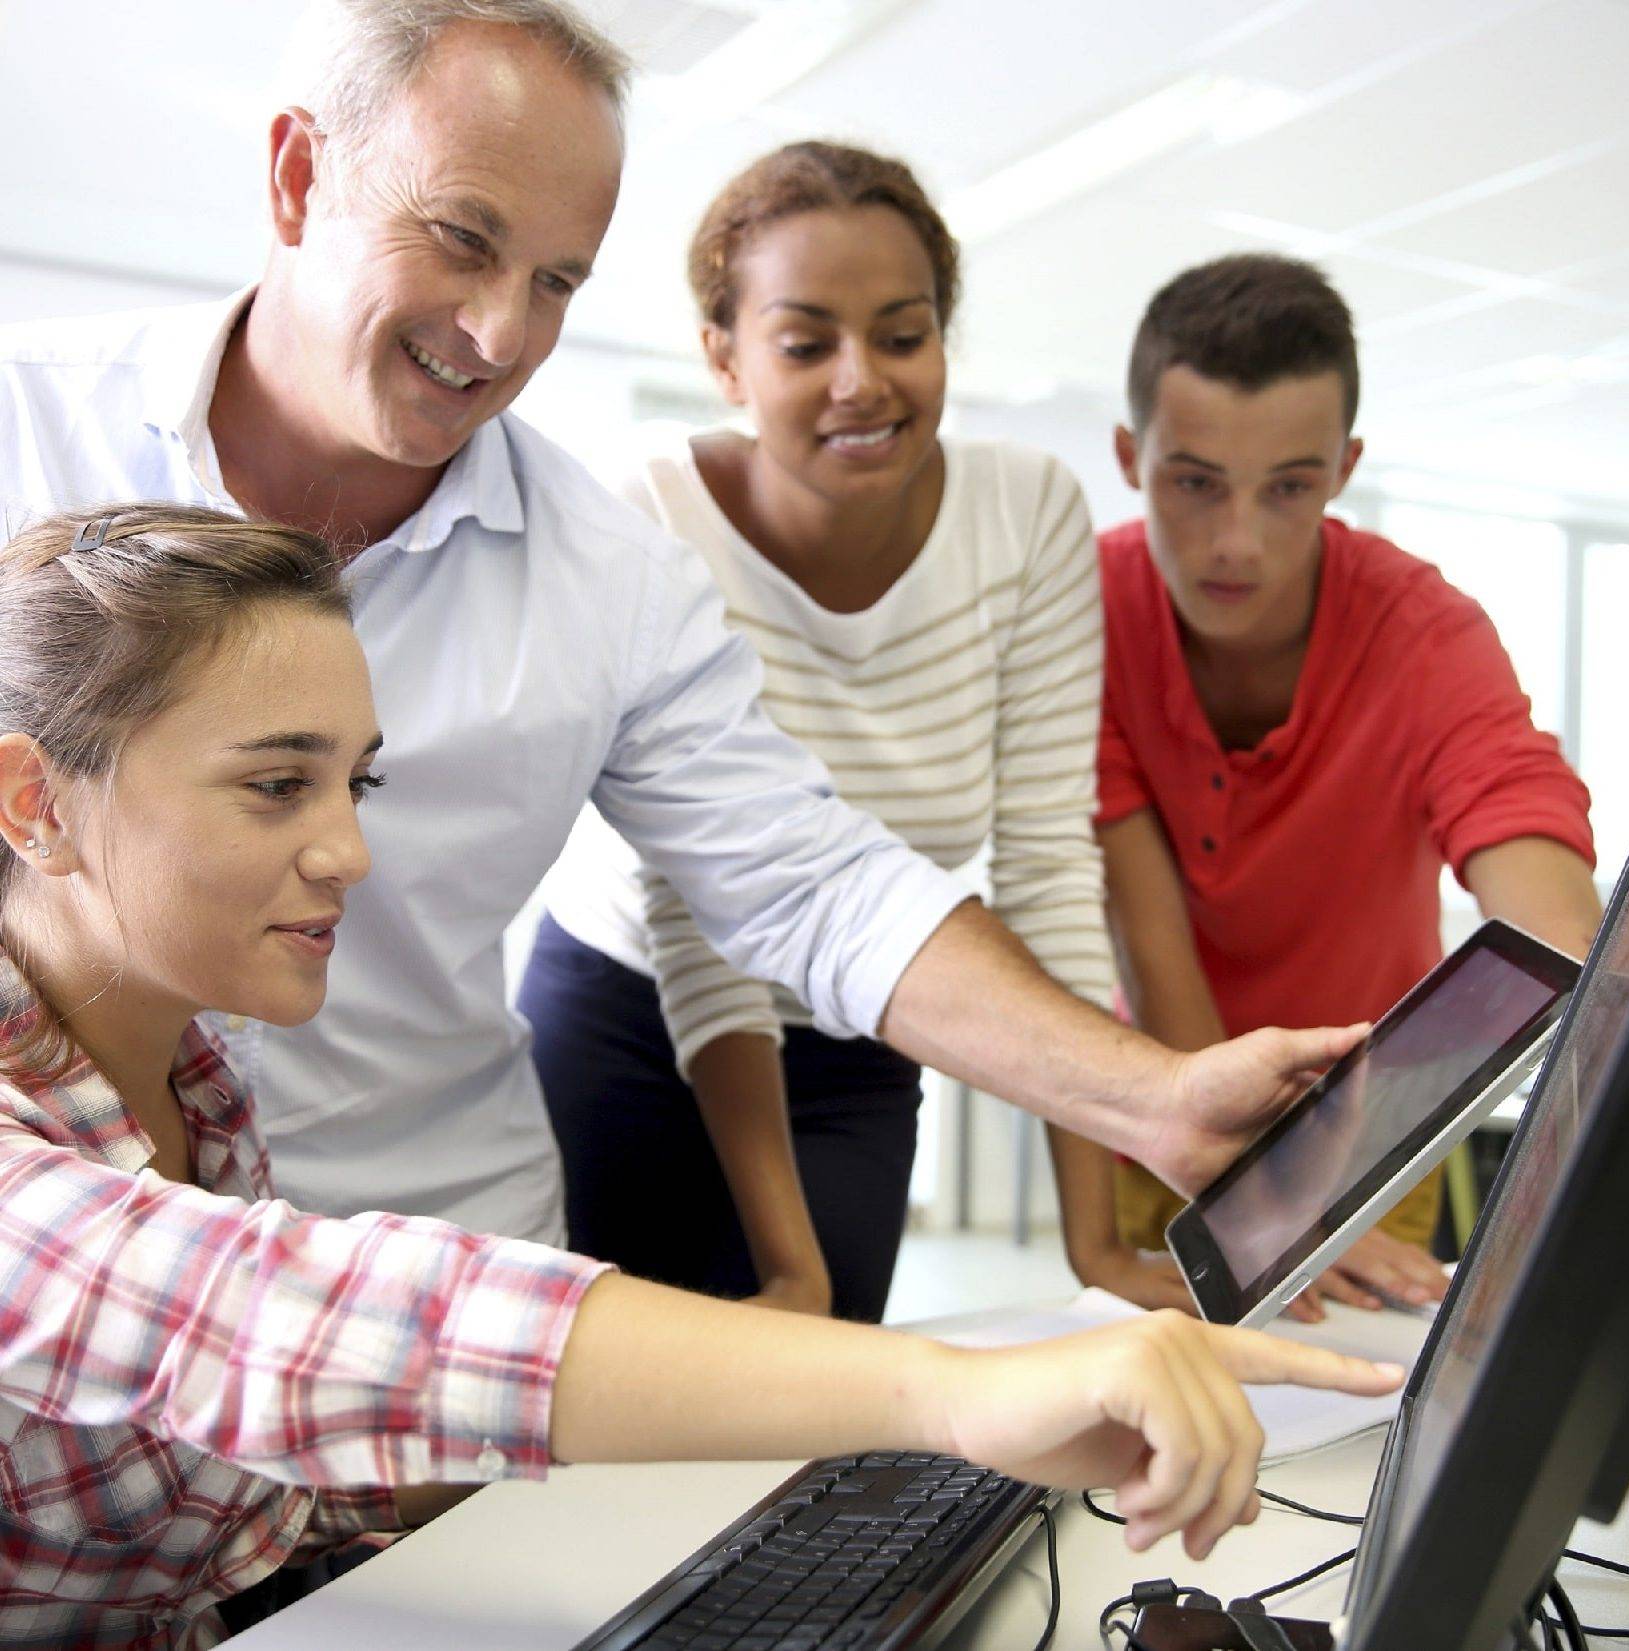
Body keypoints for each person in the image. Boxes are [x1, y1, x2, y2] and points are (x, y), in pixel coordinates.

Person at [0, 2, 1367, 1253]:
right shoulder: (25, 435)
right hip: (61, 1249)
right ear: (299, 178)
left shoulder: (605, 574)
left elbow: (811, 879)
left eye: (555, 283)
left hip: (427, 1263)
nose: (495, 332)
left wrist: (1156, 1097)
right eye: (464, 240)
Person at [0, 503, 1402, 1648]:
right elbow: (282, 1320)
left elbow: (245, 1472)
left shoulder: (188, 1072)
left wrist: (697, 1467)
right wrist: (945, 1391)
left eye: (352, 783)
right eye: (273, 784)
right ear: (33, 801)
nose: (350, 851)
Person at [523, 141, 1120, 1322]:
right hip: (629, 1011)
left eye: (901, 335)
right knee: (617, 1413)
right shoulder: (649, 519)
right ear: (725, 360)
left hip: (866, 1018)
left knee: (819, 1407)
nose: (861, 381)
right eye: (805, 344)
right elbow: (696, 906)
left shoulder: (1030, 513)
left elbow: (1048, 868)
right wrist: (783, 1261)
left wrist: (1094, 1241)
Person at [1086, 254, 1601, 1317]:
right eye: (1193, 482)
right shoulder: (1083, 608)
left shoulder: (1425, 633)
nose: (1238, 541)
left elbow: (1542, 897)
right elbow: (1150, 934)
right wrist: (1252, 1187)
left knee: (1352, 1420)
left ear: (1343, 465)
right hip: (1166, 1114)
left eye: (1288, 487)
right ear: (1131, 456)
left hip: (1374, 1135)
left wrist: (1604, 1020)